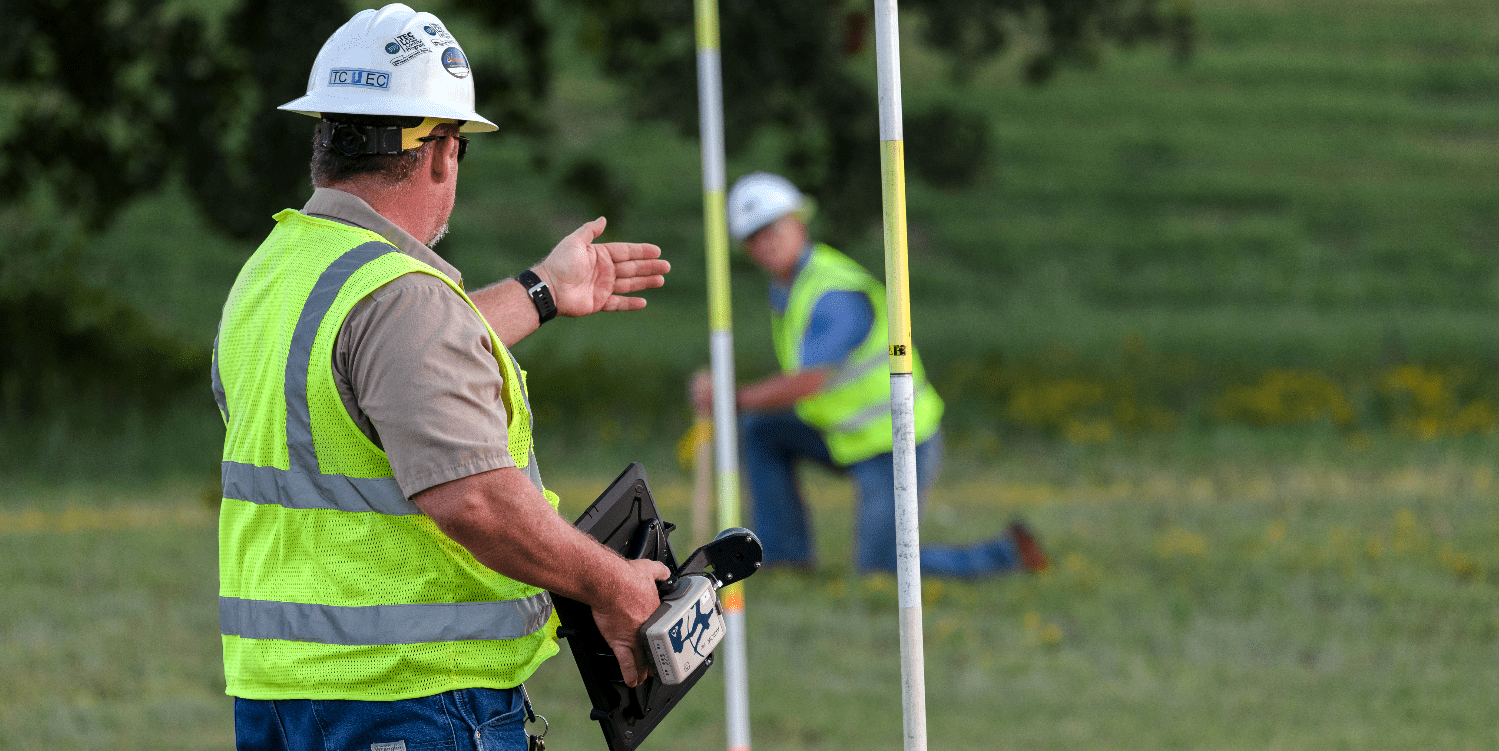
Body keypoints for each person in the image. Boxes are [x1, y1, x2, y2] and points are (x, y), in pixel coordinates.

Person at [212, 5, 673, 749]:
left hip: (282, 694)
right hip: (411, 698)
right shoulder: (400, 297)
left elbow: (389, 370)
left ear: (325, 137)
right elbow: (476, 502)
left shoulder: (281, 270)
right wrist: (611, 584)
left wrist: (543, 289)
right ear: (440, 151)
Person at [693, 171, 1048, 578]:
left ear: (799, 222)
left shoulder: (834, 291)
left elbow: (812, 379)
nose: (765, 242)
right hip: (847, 435)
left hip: (895, 442)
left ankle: (1007, 555)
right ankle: (787, 559)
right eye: (753, 236)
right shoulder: (789, 288)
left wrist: (731, 398)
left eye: (772, 227)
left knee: (885, 568)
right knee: (762, 430)